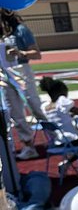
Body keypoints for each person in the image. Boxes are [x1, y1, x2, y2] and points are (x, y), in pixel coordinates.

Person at [0, 9, 47, 160]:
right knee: (15, 113)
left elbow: (36, 53)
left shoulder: (21, 30)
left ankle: (55, 137)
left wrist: (20, 53)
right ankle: (28, 146)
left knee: (34, 105)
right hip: (4, 73)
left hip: (21, 70)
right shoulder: (1, 35)